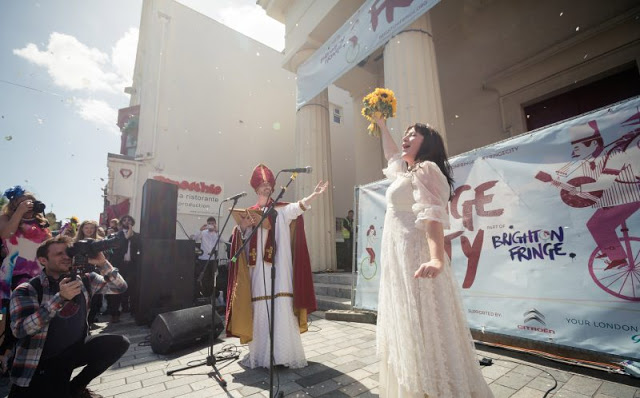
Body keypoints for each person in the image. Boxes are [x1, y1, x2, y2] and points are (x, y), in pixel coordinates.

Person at [374, 117, 493, 397]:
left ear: (427, 144)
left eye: (413, 135)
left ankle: (436, 388)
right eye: (405, 133)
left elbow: (432, 216)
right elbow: (392, 153)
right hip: (399, 258)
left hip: (416, 256)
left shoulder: (426, 169)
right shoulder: (406, 171)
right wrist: (381, 126)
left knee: (426, 324)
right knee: (410, 326)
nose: (406, 137)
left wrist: (437, 258)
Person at [225, 164, 326, 369]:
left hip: (279, 269)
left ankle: (283, 355)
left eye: (269, 184)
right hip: (257, 270)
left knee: (280, 308)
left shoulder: (281, 210)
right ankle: (262, 356)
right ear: (256, 188)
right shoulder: (249, 213)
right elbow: (240, 241)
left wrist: (313, 195)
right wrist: (243, 228)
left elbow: (298, 207)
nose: (267, 187)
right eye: (262, 185)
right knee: (261, 307)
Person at [8, 235, 129, 398]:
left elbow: (120, 287)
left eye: (68, 253)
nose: (66, 257)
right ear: (43, 260)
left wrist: (102, 263)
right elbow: (20, 329)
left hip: (73, 351)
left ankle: (76, 387)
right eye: (59, 254)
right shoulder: (28, 289)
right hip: (41, 361)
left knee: (118, 343)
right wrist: (59, 298)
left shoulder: (85, 280)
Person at [0, 186, 52, 373]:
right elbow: (5, 234)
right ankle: (5, 354)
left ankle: (29, 357)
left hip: (39, 272)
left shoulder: (42, 221)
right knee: (12, 316)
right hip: (14, 272)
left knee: (36, 314)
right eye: (23, 201)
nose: (28, 204)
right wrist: (19, 212)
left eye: (30, 200)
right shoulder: (6, 218)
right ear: (14, 204)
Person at [105, 215, 139, 323]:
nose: (127, 221)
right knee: (117, 289)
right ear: (121, 222)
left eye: (129, 220)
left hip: (132, 265)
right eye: (124, 220)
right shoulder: (116, 235)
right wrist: (126, 237)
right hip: (119, 266)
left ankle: (134, 312)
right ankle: (115, 314)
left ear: (132, 222)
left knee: (133, 289)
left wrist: (131, 236)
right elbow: (115, 249)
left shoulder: (137, 236)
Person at [74, 220, 103, 327]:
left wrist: (87, 260)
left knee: (95, 298)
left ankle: (90, 321)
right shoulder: (75, 241)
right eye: (86, 228)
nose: (89, 230)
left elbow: (103, 260)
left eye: (92, 228)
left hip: (94, 272)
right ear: (82, 229)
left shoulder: (99, 242)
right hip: (79, 273)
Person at [190, 217, 221, 300]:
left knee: (213, 279)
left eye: (212, 223)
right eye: (209, 223)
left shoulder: (217, 233)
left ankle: (214, 296)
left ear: (215, 224)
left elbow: (222, 240)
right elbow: (193, 239)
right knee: (204, 279)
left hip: (213, 259)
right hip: (203, 259)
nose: (211, 225)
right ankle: (205, 296)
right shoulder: (203, 233)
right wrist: (200, 229)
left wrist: (217, 231)